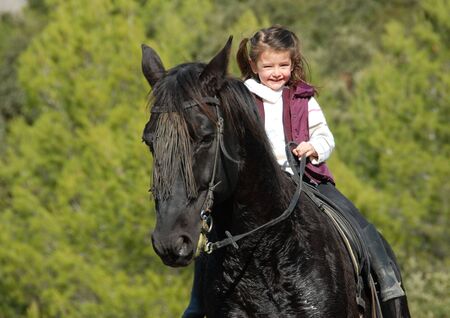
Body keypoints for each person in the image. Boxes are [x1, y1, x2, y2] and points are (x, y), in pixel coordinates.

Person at [183, 25, 404, 317]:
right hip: (254, 190)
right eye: (269, 65)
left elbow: (325, 137)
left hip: (308, 181)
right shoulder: (241, 99)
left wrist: (314, 148)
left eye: (284, 65)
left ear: (293, 63)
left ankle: (389, 288)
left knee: (363, 228)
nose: (277, 72)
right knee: (211, 237)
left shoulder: (303, 99)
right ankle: (197, 305)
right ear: (253, 65)